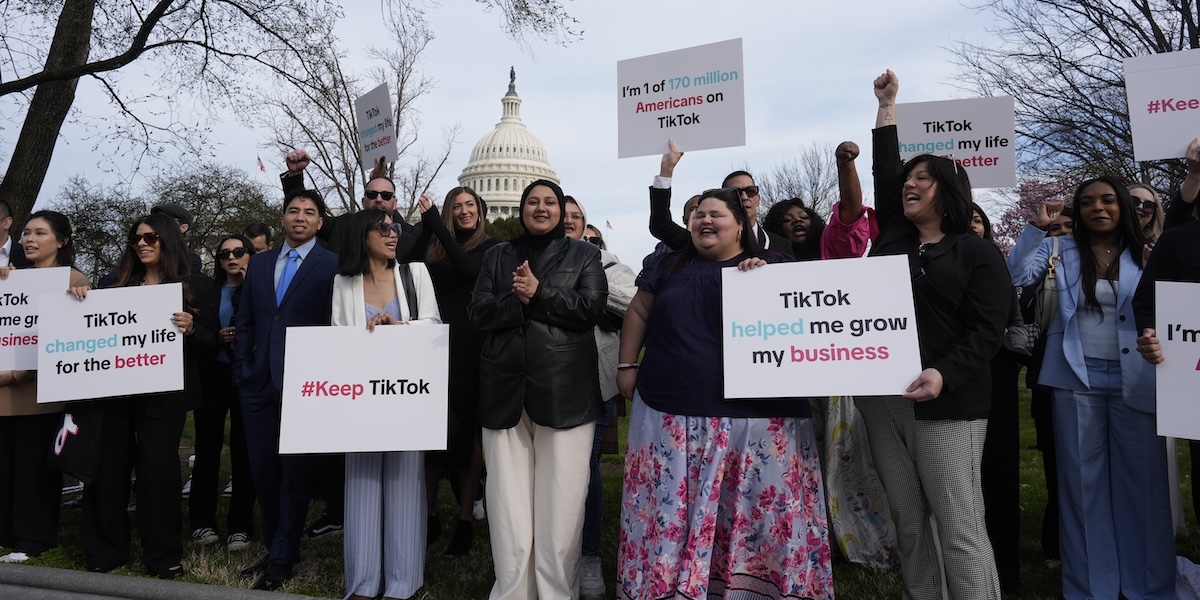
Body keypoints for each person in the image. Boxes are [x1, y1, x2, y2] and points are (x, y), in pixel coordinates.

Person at [616, 187, 832, 600]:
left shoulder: (776, 265)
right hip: (671, 413)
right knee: (672, 510)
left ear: (740, 225)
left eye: (715, 214)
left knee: (752, 513)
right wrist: (627, 366)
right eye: (698, 214)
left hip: (756, 421)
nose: (704, 221)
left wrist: (765, 278)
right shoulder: (665, 265)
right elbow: (639, 311)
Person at [859, 70, 1008, 600]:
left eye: (924, 177)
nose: (910, 183)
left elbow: (989, 329)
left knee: (959, 526)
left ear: (949, 189)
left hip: (949, 404)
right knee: (911, 524)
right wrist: (887, 105)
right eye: (908, 177)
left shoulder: (976, 252)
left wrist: (944, 373)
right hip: (883, 403)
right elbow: (883, 170)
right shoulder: (894, 239)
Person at [1008, 179, 1172, 600]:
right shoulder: (1058, 250)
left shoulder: (1150, 255)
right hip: (1074, 380)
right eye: (1086, 203)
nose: (1097, 208)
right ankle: (1089, 589)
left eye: (1107, 200)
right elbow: (1016, 274)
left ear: (1122, 206)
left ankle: (1148, 587)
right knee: (1082, 488)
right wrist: (1037, 227)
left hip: (1137, 379)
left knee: (1143, 486)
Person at [470, 179, 607, 600]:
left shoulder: (585, 254)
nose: (542, 208)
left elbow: (591, 309)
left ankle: (554, 593)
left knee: (561, 505)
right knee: (508, 505)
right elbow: (479, 312)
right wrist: (521, 299)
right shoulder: (497, 255)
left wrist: (540, 293)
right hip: (505, 390)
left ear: (562, 210)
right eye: (533, 202)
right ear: (521, 209)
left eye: (550, 202)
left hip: (565, 392)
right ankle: (512, 591)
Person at [77, 213, 218, 579]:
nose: (142, 243)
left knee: (158, 473)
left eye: (151, 237)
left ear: (168, 240)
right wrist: (77, 295)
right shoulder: (115, 285)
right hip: (116, 394)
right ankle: (106, 551)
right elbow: (88, 325)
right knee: (109, 472)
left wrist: (192, 327)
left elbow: (211, 340)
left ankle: (162, 555)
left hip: (167, 397)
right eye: (136, 238)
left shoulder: (197, 286)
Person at [234, 188, 338, 591]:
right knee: (263, 470)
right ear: (282, 218)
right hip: (257, 382)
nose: (300, 217)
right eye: (293, 210)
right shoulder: (258, 265)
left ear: (319, 223)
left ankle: (282, 556)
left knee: (295, 473)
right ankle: (278, 544)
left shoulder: (332, 264)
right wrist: (242, 369)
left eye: (309, 212)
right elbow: (247, 320)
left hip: (303, 383)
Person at [334, 209, 441, 600]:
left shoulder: (416, 275)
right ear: (362, 235)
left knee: (404, 482)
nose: (392, 233)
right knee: (361, 482)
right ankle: (362, 584)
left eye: (394, 226)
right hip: (360, 398)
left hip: (407, 396)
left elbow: (433, 325)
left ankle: (403, 582)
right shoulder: (343, 283)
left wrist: (401, 329)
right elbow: (335, 339)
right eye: (382, 228)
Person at [408, 187, 499, 557]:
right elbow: (408, 264)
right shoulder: (434, 244)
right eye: (457, 206)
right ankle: (429, 515)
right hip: (431, 342)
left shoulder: (489, 246)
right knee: (430, 432)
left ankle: (464, 519)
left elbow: (468, 270)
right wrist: (428, 228)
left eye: (470, 205)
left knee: (466, 433)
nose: (464, 211)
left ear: (479, 210)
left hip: (468, 345)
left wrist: (437, 226)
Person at [0, 211, 88, 563]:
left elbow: (67, 337)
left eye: (40, 232)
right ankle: (5, 532)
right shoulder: (13, 278)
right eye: (25, 233)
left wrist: (18, 374)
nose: (29, 239)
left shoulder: (73, 278)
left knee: (33, 468)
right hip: (4, 392)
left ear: (62, 241)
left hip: (41, 393)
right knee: (5, 464)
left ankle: (34, 538)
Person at [562, 196, 636, 598]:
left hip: (596, 382)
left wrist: (587, 282)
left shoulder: (608, 265)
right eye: (564, 215)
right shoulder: (538, 262)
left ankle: (589, 555)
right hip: (549, 382)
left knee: (585, 469)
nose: (570, 221)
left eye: (577, 217)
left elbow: (634, 305)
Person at [189, 234, 257, 551]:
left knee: (244, 451)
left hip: (246, 376)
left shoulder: (260, 288)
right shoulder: (207, 291)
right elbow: (197, 331)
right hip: (212, 375)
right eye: (224, 253)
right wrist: (215, 337)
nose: (232, 257)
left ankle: (240, 526)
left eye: (239, 252)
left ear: (250, 255)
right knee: (207, 450)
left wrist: (249, 287)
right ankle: (202, 523)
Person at [970, 203, 1025, 593]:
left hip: (997, 375)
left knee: (1000, 471)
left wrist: (1012, 355)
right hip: (951, 380)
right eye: (965, 218)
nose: (971, 225)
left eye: (978, 219)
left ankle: (1005, 570)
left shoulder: (996, 263)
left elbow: (1015, 316)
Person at [1018, 206, 1073, 571]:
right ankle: (1055, 543)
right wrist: (1036, 230)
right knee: (1057, 464)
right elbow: (1018, 273)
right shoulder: (1047, 257)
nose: (1064, 233)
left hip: (1109, 378)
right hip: (1050, 377)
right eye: (1056, 228)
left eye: (1070, 227)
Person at [649, 139, 793, 257]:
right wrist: (666, 169)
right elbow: (661, 225)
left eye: (750, 191)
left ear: (758, 198)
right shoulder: (700, 241)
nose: (744, 197)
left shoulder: (781, 244)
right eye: (736, 192)